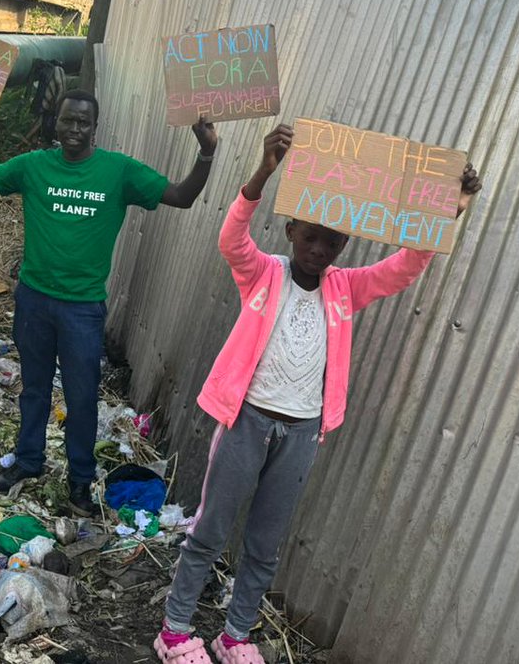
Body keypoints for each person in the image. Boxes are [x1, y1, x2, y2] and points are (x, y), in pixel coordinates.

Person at [154, 123, 482, 664]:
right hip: (247, 422)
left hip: (302, 432)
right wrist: (264, 169)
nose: (320, 248)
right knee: (210, 531)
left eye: (332, 241)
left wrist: (454, 205)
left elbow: (406, 265)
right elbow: (231, 239)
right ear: (290, 231)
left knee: (264, 544)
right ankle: (173, 632)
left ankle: (234, 637)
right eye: (310, 236)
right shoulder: (264, 274)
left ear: (343, 245)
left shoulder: (346, 288)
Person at [0, 88, 217, 515]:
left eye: (83, 122)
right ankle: (29, 461)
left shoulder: (118, 171)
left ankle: (80, 482)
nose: (74, 129)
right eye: (68, 120)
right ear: (56, 122)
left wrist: (205, 154)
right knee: (34, 389)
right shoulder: (33, 166)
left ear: (95, 127)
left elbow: (181, 196)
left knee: (82, 396)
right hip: (34, 300)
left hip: (82, 309)